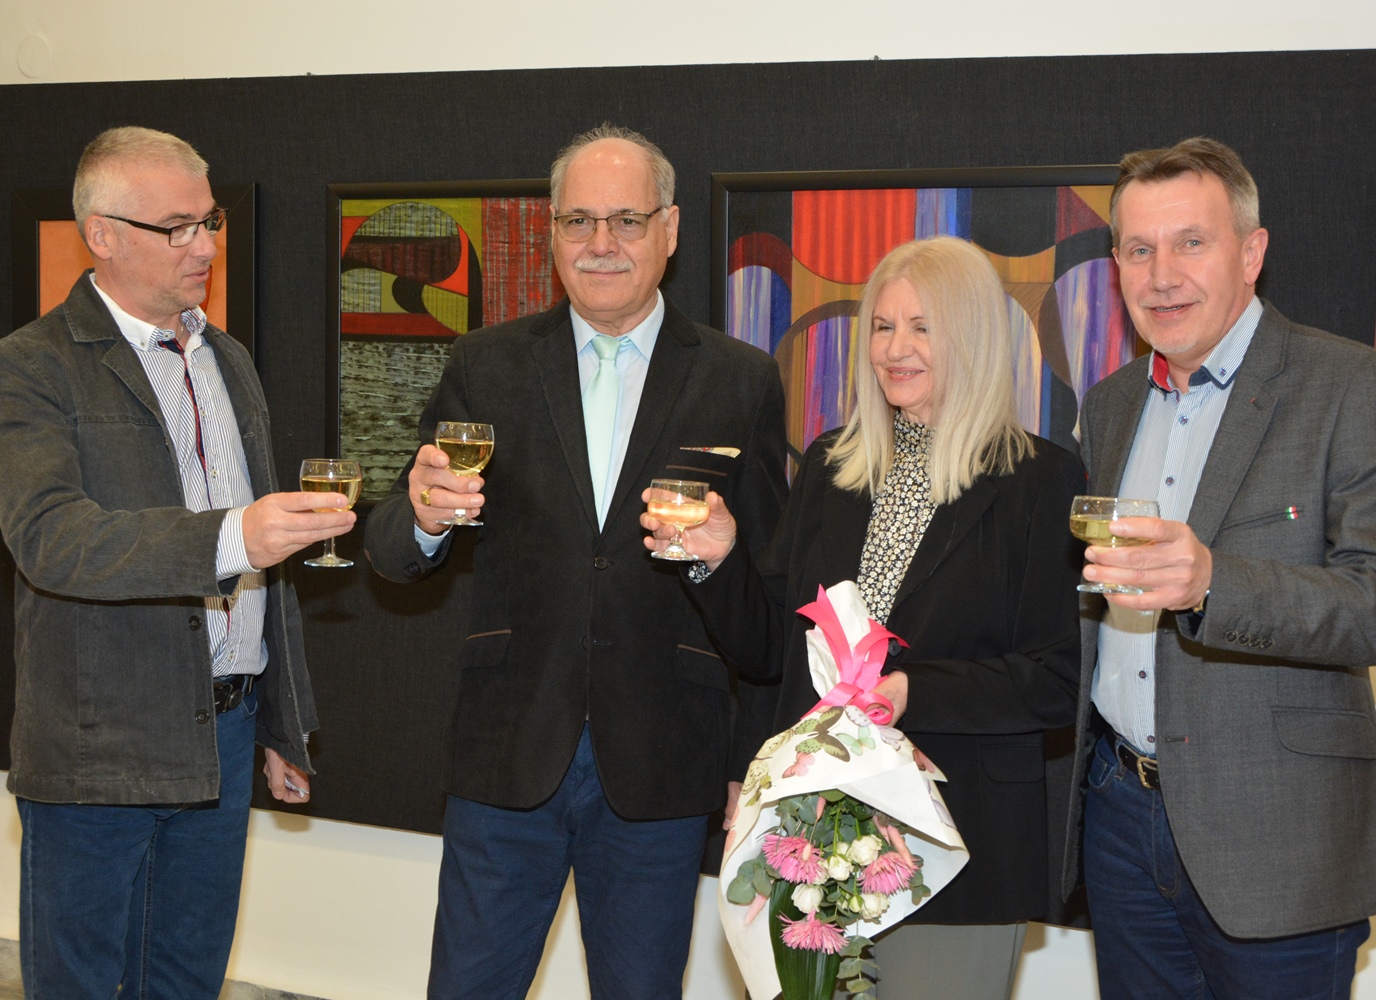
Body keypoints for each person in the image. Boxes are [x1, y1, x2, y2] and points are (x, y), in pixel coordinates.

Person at [364, 124, 788, 1000]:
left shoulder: (739, 379)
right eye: (578, 221)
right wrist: (425, 518)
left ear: (670, 229)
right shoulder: (486, 364)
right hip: (507, 751)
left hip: (663, 761)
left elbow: (767, 605)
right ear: (551, 232)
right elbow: (394, 548)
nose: (602, 244)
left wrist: (750, 750)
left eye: (626, 220)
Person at [647, 235, 1086, 999]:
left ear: (974, 338)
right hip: (813, 836)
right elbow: (771, 651)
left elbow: (1054, 681)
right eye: (882, 326)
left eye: (921, 327)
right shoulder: (832, 464)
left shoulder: (1040, 480)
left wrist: (914, 691)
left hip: (956, 843)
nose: (894, 348)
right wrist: (717, 560)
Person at [1062, 137, 1376, 999]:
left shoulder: (1352, 385)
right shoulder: (1112, 404)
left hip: (1278, 834)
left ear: (1252, 252)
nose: (1162, 275)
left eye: (1192, 242)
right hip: (1120, 817)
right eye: (1138, 250)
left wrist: (1213, 584)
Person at [0, 127, 353, 999]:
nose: (205, 246)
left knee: (188, 981)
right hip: (97, 748)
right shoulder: (31, 366)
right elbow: (52, 538)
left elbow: (271, 573)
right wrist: (231, 539)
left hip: (224, 735)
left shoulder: (227, 358)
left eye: (211, 221)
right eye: (177, 228)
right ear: (102, 234)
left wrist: (281, 722)